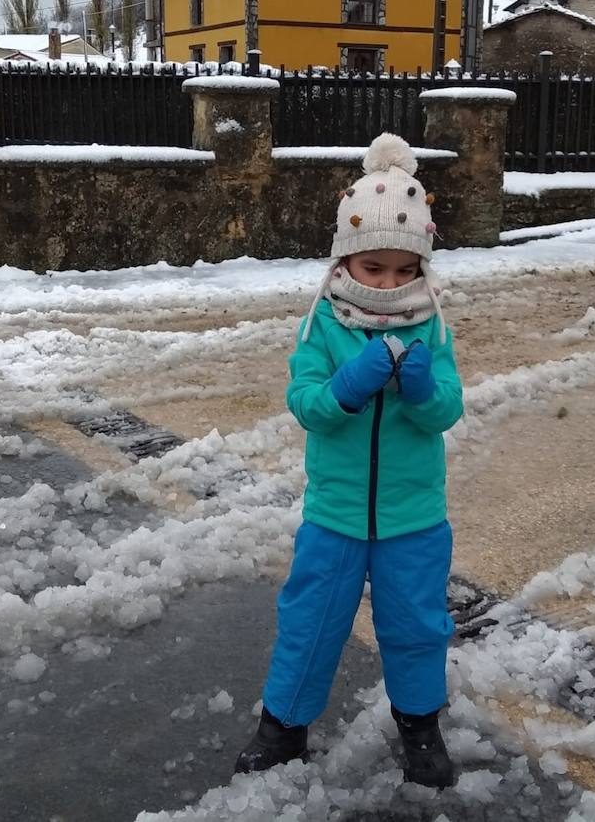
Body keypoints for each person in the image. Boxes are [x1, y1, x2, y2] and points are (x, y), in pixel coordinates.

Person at [234, 132, 465, 789]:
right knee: (310, 620)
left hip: (413, 516)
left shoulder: (430, 325)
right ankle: (282, 725)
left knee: (416, 626)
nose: (390, 283)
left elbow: (448, 407)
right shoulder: (323, 324)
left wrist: (422, 392)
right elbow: (305, 402)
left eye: (404, 270)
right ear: (345, 261)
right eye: (374, 268)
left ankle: (420, 725)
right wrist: (344, 388)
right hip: (334, 515)